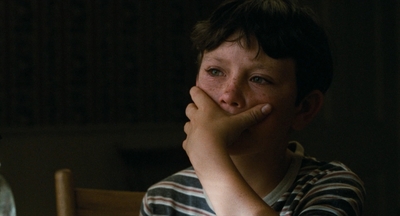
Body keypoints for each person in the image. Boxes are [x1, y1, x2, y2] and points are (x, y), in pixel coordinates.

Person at [140, 0, 366, 215]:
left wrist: (208, 160)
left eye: (259, 79)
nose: (229, 95)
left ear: (304, 108)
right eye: (215, 71)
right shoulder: (162, 201)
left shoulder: (331, 188)